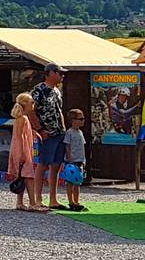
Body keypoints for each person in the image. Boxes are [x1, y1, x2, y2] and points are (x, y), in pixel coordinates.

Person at [27, 65, 69, 210]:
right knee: (43, 164)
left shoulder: (57, 90)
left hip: (59, 133)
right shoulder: (38, 90)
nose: (63, 76)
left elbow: (59, 111)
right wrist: (39, 129)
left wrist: (64, 130)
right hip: (46, 133)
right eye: (60, 73)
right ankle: (38, 199)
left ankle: (53, 199)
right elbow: (30, 111)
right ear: (51, 73)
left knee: (56, 165)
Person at [8, 91, 43, 212]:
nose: (34, 104)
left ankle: (20, 202)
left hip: (20, 150)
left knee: (21, 177)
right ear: (26, 104)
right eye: (32, 102)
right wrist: (23, 154)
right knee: (29, 177)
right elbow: (20, 136)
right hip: (22, 152)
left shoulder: (22, 118)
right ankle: (33, 203)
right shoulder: (22, 118)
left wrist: (33, 132)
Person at [62, 108, 88, 212]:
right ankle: (71, 201)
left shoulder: (80, 133)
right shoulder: (69, 133)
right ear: (73, 120)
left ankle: (77, 201)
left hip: (80, 160)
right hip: (71, 161)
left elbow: (82, 147)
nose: (83, 121)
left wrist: (84, 160)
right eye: (81, 119)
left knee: (78, 182)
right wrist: (69, 159)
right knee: (70, 182)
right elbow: (67, 146)